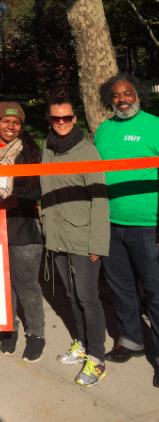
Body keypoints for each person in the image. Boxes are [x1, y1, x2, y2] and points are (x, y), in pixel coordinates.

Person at [94, 73, 159, 387]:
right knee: (121, 289)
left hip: (148, 226)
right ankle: (131, 340)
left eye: (127, 93)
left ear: (138, 95)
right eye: (116, 95)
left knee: (156, 293)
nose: (122, 99)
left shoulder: (154, 126)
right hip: (111, 223)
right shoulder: (104, 130)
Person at [41, 90, 110, 387]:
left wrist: (97, 243)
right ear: (50, 119)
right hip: (57, 234)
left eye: (66, 117)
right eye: (56, 118)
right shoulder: (47, 147)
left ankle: (97, 359)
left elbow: (100, 200)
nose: (61, 122)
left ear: (75, 118)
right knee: (71, 296)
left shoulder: (87, 151)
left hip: (83, 236)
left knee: (88, 298)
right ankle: (81, 343)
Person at [0, 102, 45, 362]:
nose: (11, 126)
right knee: (3, 285)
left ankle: (36, 333)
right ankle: (10, 328)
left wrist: (17, 198)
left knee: (26, 284)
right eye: (6, 121)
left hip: (22, 224)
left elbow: (38, 189)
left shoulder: (30, 151)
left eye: (16, 123)